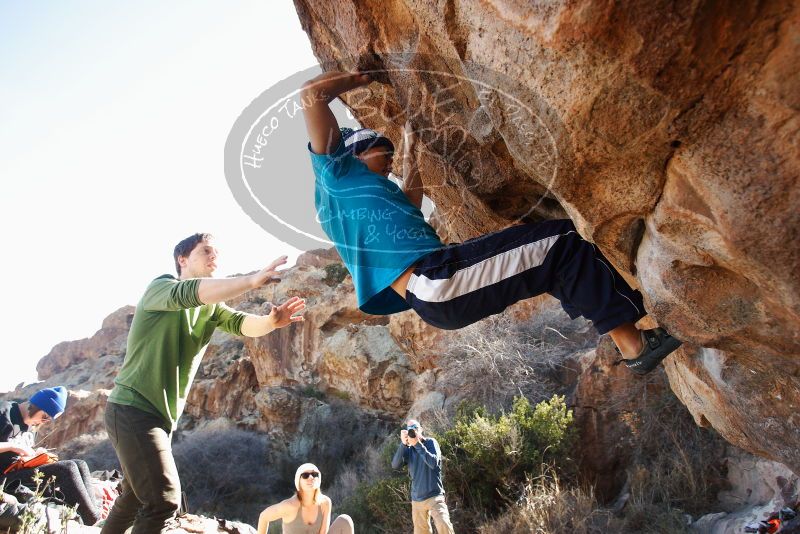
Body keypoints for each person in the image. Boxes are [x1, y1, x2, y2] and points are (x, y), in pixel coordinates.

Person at [301, 70, 682, 375]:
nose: (389, 165)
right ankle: (634, 347)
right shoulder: (335, 176)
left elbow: (410, 204)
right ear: (352, 155)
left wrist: (413, 148)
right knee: (564, 240)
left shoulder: (368, 201)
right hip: (437, 280)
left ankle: (630, 337)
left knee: (553, 262)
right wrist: (360, 77)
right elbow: (311, 96)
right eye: (382, 156)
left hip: (436, 290)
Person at [101, 233, 306, 534]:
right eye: (206, 251)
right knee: (164, 501)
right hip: (132, 408)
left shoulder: (211, 308)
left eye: (216, 252)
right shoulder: (162, 288)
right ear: (182, 259)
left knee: (134, 498)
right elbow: (191, 293)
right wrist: (251, 280)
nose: (214, 257)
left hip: (158, 418)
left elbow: (242, 323)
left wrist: (271, 322)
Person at [0, 386, 101, 525]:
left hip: (19, 472)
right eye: (44, 416)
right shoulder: (4, 412)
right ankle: (91, 519)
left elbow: (20, 454)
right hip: (5, 478)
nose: (44, 421)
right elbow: (14, 448)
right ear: (35, 405)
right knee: (67, 468)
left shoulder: (31, 427)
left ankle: (94, 514)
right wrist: (14, 446)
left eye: (48, 419)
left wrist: (36, 455)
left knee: (80, 464)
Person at [392, 419, 454, 534]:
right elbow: (395, 465)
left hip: (435, 496)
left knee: (443, 524)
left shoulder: (431, 442)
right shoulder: (408, 450)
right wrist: (403, 444)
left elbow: (433, 463)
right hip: (417, 500)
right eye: (409, 430)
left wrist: (418, 445)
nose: (412, 432)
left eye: (415, 428)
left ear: (421, 429)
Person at [257, 463, 354, 534]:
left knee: (345, 520)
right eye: (305, 475)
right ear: (298, 481)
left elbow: (323, 532)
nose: (311, 477)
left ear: (318, 479)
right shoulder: (289, 506)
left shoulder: (325, 502)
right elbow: (264, 517)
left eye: (314, 474)